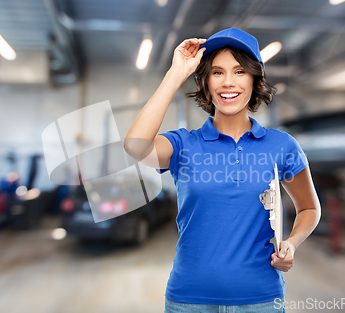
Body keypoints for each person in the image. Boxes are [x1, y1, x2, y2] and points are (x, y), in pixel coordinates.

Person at [124, 28, 321, 313]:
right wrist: (177, 72)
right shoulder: (183, 144)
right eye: (217, 72)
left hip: (260, 299)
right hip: (188, 300)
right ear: (205, 82)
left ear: (255, 79)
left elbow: (309, 209)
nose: (228, 82)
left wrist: (291, 243)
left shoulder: (282, 145)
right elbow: (135, 146)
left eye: (239, 71)